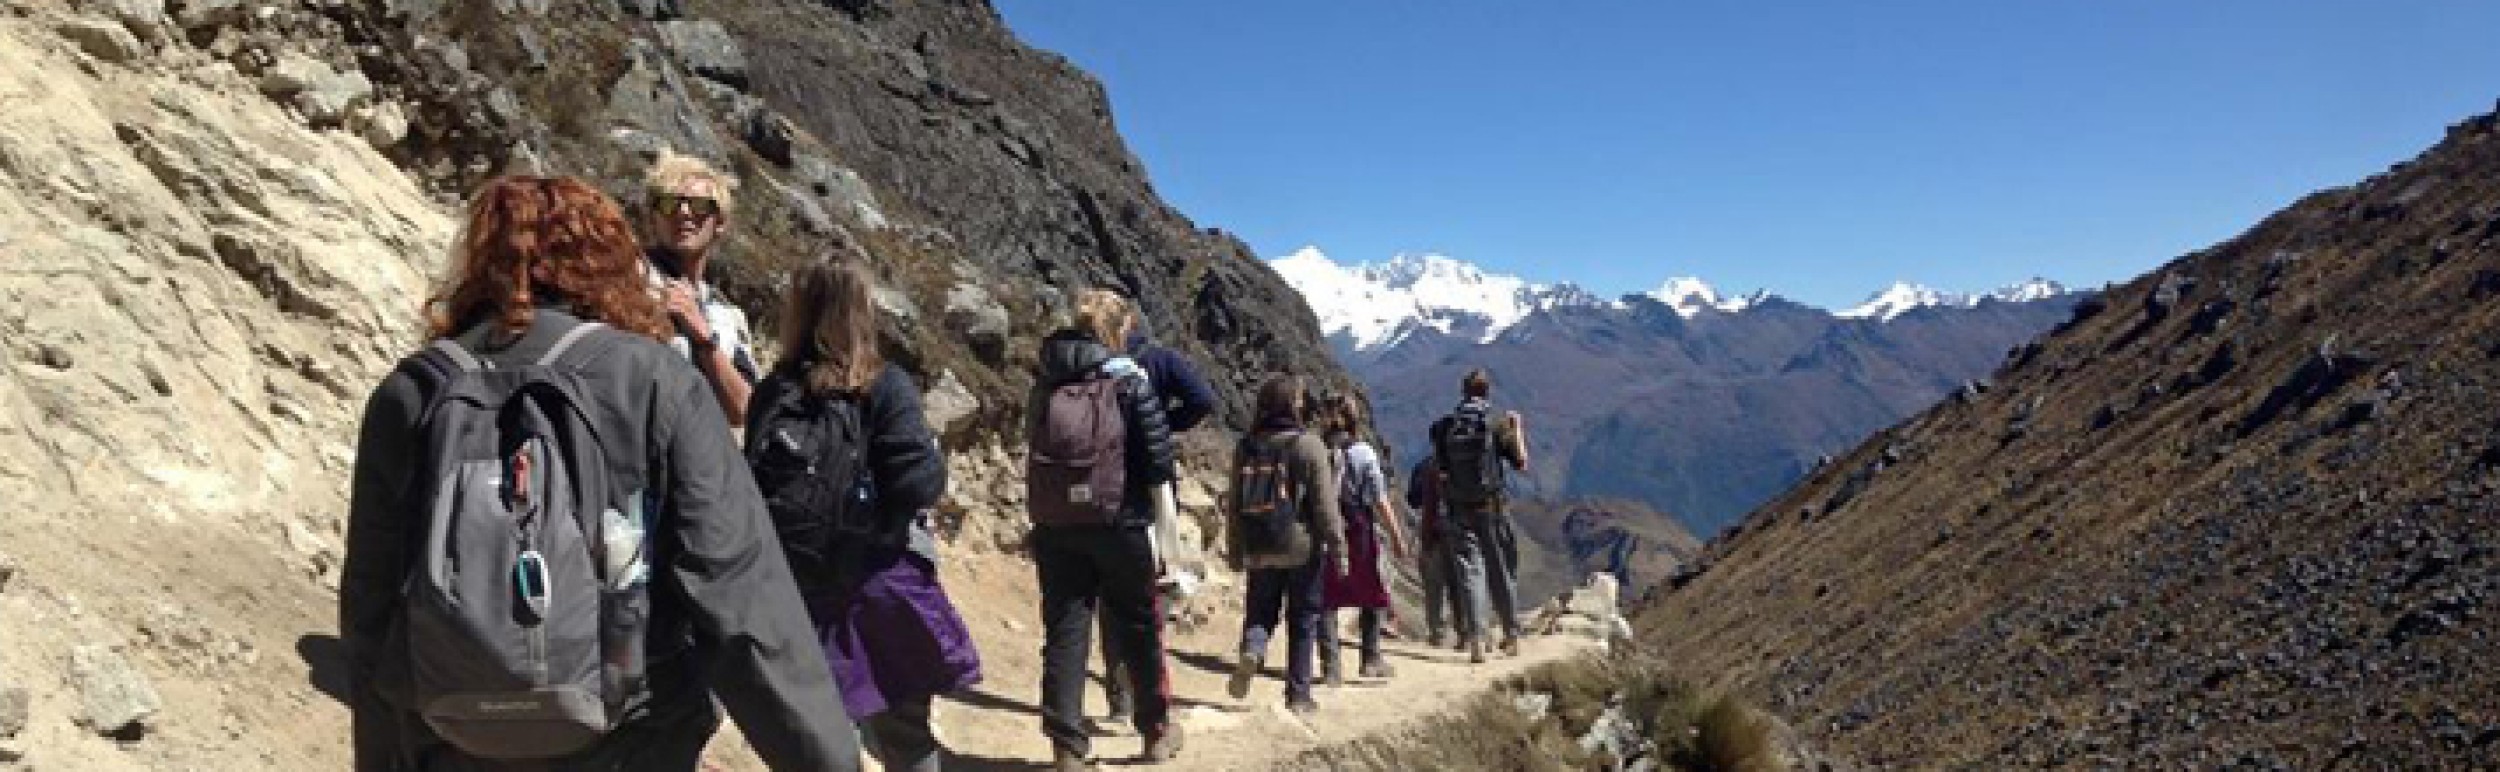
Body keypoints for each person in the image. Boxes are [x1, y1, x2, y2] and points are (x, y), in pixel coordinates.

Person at [341, 176, 857, 770]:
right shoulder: (653, 381)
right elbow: (737, 596)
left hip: (451, 731)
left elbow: (371, 606)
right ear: (610, 263)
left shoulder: (413, 390)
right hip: (627, 736)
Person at [746, 255, 982, 772]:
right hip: (878, 580)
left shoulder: (775, 390)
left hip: (798, 585)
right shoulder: (884, 385)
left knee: (817, 732)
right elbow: (917, 482)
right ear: (861, 311)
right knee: (904, 729)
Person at [1026, 289, 1185, 770]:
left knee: (1066, 627)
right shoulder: (1130, 383)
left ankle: (1066, 745)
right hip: (1121, 521)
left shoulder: (1045, 385)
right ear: (1118, 330)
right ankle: (1155, 732)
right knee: (1138, 626)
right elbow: (1158, 462)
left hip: (1056, 525)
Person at [1096, 300, 1221, 726]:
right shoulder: (1160, 361)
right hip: (1150, 489)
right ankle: (1152, 691)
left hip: (1097, 489)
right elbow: (1203, 399)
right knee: (1150, 591)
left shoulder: (1089, 364)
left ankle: (1118, 698)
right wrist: (1165, 424)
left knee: (1107, 598)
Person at [1223, 375, 1348, 716]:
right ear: (1293, 404)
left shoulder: (1246, 446)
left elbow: (1233, 503)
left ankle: (1254, 649)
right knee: (1304, 616)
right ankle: (1299, 694)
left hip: (1258, 542)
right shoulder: (1308, 445)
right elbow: (1324, 505)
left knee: (1261, 610)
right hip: (1299, 545)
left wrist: (1235, 550)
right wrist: (1339, 550)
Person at [642, 150, 760, 425]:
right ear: (652, 217)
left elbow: (745, 410)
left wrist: (705, 340)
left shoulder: (728, 317)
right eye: (669, 203)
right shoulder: (627, 282)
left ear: (720, 223)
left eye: (700, 205)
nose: (684, 213)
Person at [1430, 368, 1531, 659]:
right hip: (1491, 507)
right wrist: (1518, 428)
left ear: (1463, 391)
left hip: (1459, 507)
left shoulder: (1445, 427)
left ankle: (1476, 637)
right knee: (1499, 569)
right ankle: (1511, 634)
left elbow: (1440, 469)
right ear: (1487, 392)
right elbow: (1522, 463)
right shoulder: (1497, 425)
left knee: (1470, 571)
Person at [1316, 395, 1409, 683]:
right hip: (1358, 527)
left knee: (1326, 595)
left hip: (1324, 526)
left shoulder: (1316, 449)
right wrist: (1396, 536)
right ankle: (1370, 658)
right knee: (1372, 589)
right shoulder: (1363, 453)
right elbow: (1379, 499)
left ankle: (1331, 668)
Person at [1407, 453, 1475, 658]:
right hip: (1459, 532)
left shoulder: (1424, 465)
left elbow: (1413, 499)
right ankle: (1465, 633)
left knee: (1434, 585)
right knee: (1460, 584)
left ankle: (1436, 633)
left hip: (1433, 532)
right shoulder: (1463, 464)